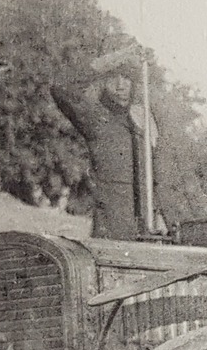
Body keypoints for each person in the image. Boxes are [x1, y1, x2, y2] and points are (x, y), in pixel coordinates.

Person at [50, 51, 159, 239]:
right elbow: (61, 87)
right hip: (113, 234)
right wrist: (115, 58)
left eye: (126, 77)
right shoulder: (97, 119)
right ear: (102, 81)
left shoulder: (145, 121)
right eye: (113, 77)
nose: (120, 85)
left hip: (150, 232)